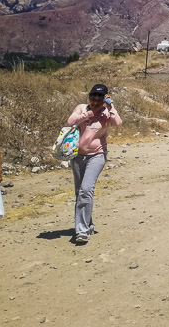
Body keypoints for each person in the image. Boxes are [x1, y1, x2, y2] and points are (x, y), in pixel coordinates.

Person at [67, 84, 122, 243]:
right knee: (80, 192)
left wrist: (111, 106)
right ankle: (88, 224)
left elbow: (117, 122)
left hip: (97, 155)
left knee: (86, 189)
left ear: (104, 100)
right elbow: (70, 121)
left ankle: (81, 231)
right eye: (93, 98)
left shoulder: (106, 112)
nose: (95, 102)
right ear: (89, 97)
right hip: (77, 156)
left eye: (99, 99)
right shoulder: (81, 108)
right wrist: (85, 116)